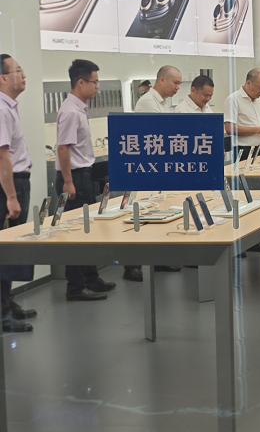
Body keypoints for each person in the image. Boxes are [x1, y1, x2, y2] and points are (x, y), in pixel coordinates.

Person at [56, 60, 116, 301]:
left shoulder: (79, 108)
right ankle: (76, 287)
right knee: (76, 233)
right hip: (74, 177)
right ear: (81, 82)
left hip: (83, 174)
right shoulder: (70, 111)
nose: (97, 86)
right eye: (95, 82)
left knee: (87, 229)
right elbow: (63, 148)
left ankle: (91, 278)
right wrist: (68, 181)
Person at [129, 65, 188, 280]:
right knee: (143, 215)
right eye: (175, 83)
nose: (178, 87)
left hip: (159, 165)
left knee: (158, 211)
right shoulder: (148, 102)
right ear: (162, 80)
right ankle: (134, 265)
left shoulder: (163, 102)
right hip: (148, 167)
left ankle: (158, 259)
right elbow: (161, 134)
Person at [0, 54, 37, 332]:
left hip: (17, 183)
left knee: (12, 251)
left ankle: (7, 303)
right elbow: (2, 157)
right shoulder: (1, 109)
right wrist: (11, 197)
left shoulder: (9, 107)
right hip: (8, 187)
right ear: (3, 78)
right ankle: (3, 315)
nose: (23, 76)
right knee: (5, 251)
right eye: (18, 71)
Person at [223, 68, 260, 162]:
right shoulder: (233, 99)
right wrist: (258, 130)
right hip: (245, 150)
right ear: (248, 82)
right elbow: (229, 128)